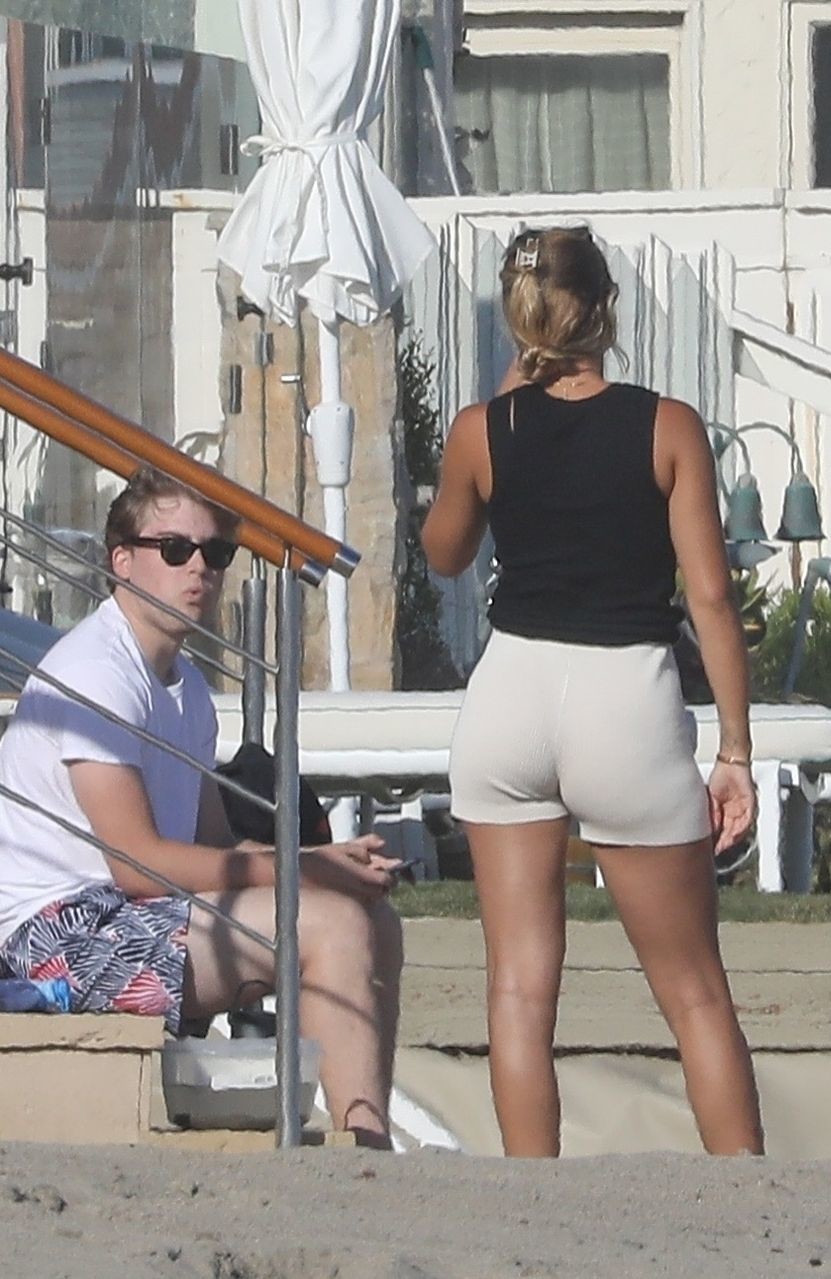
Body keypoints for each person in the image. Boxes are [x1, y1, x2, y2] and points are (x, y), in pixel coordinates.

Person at [424, 224, 763, 1158]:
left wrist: (503, 403)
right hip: (625, 693)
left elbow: (445, 552)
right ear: (607, 309)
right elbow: (711, 597)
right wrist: (735, 748)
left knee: (518, 989)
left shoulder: (482, 431)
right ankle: (752, 1198)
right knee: (694, 992)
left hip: (512, 691)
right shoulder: (667, 425)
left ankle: (532, 1203)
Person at [0, 468, 406, 1146]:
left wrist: (324, 862)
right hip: (53, 933)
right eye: (174, 549)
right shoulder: (94, 672)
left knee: (372, 915)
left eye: (216, 552)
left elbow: (216, 846)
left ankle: (367, 1133)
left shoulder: (184, 686)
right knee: (329, 922)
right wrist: (302, 871)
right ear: (120, 559)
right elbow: (137, 865)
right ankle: (363, 1146)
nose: (199, 568)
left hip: (126, 911)